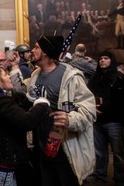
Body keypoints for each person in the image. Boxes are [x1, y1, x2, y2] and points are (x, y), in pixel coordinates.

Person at [24, 35, 96, 186]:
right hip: (42, 144)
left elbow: (89, 111)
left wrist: (70, 119)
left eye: (36, 47)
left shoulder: (70, 77)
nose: (32, 50)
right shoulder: (35, 75)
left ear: (46, 52)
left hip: (65, 145)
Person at [0, 65, 64, 186]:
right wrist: (41, 104)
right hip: (0, 171)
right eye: (5, 75)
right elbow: (26, 121)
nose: (9, 77)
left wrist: (28, 100)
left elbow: (14, 114)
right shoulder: (0, 101)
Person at [86, 50, 124, 185]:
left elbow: (118, 99)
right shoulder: (94, 77)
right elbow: (87, 95)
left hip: (114, 120)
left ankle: (120, 179)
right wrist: (92, 108)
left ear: (111, 61)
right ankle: (100, 175)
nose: (102, 60)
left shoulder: (118, 77)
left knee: (118, 153)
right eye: (101, 58)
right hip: (97, 120)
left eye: (106, 58)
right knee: (99, 151)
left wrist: (100, 109)